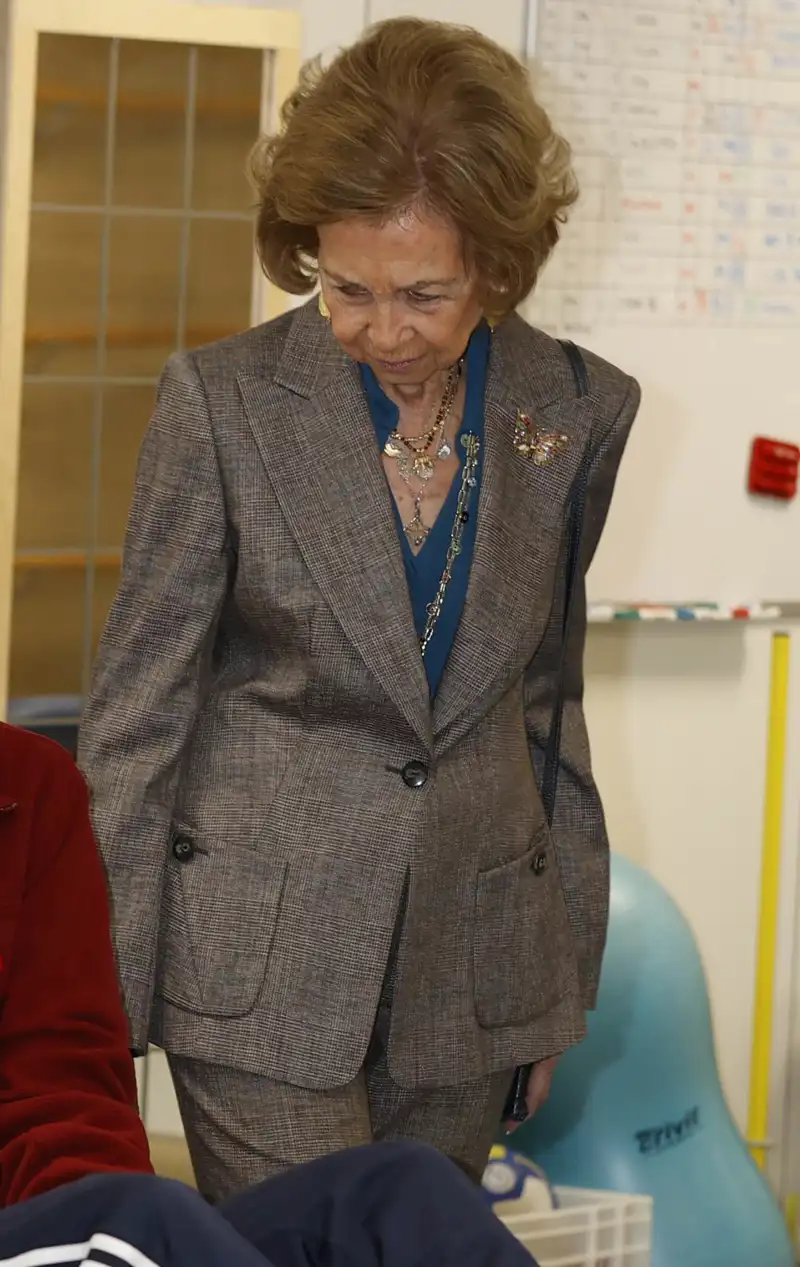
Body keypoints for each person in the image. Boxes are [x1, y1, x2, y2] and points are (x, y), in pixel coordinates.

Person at [78, 16, 641, 1201]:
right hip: (256, 959)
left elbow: (547, 708)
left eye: (423, 294)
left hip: (469, 963)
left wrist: (551, 980)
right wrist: (101, 1013)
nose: (382, 331)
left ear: (496, 260)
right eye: (346, 289)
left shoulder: (576, 409)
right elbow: (137, 719)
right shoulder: (221, 405)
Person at [0, 719, 539, 1266]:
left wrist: (91, 1207)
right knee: (143, 1218)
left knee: (403, 1192)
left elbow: (56, 1083)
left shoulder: (28, 779)